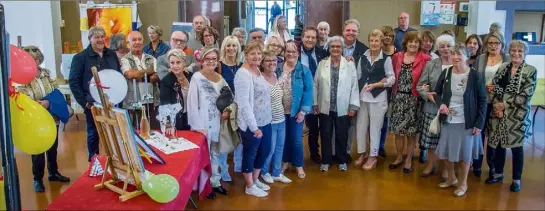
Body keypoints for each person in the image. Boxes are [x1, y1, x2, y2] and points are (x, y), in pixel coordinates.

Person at [434, 43, 487, 197]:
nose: (455, 57)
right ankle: (452, 179)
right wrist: (441, 104)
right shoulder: (446, 73)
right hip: (448, 120)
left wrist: (479, 123)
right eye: (453, 54)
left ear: (467, 56)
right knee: (447, 153)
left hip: (467, 122)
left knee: (465, 155)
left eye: (459, 54)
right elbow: (436, 93)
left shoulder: (476, 75)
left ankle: (463, 183)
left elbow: (483, 100)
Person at [17, 46, 71, 192]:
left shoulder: (45, 73)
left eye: (36, 58)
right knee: (38, 150)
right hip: (35, 118)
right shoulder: (22, 76)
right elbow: (21, 96)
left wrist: (48, 102)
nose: (34, 61)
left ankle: (53, 173)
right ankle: (38, 179)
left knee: (53, 147)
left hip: (51, 116)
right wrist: (37, 105)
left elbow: (54, 91)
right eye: (30, 59)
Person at [486, 40, 536, 192]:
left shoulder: (530, 70)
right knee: (499, 146)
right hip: (498, 114)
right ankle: (498, 173)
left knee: (516, 149)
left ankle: (516, 179)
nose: (516, 54)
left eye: (520, 51)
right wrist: (497, 106)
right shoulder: (502, 68)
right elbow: (493, 88)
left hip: (517, 116)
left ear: (525, 53)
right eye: (513, 50)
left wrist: (504, 105)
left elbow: (526, 95)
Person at [69, 26, 121, 162]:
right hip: (92, 103)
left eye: (102, 36)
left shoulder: (111, 54)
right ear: (89, 39)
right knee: (94, 134)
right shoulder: (80, 58)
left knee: (114, 133)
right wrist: (85, 102)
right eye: (96, 37)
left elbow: (118, 76)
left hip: (112, 102)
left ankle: (116, 161)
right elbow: (74, 82)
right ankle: (94, 162)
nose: (100, 40)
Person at [188, 48, 231, 198]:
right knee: (204, 155)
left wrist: (227, 111)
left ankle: (215, 182)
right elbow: (192, 102)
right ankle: (204, 186)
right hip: (202, 122)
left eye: (214, 58)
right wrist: (198, 126)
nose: (211, 61)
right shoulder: (197, 78)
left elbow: (228, 97)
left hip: (217, 121)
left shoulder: (220, 78)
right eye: (208, 58)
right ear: (202, 60)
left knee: (215, 153)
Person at [314, 36, 359, 172]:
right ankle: (326, 160)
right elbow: (315, 84)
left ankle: (342, 160)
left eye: (338, 46)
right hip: (325, 106)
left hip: (343, 106)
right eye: (332, 46)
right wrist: (315, 103)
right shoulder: (322, 63)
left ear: (343, 48)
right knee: (326, 134)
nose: (335, 49)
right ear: (329, 48)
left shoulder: (349, 64)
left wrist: (353, 105)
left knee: (342, 134)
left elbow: (354, 86)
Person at [388, 31, 431, 173]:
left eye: (416, 42)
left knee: (411, 133)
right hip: (398, 98)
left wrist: (427, 87)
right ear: (406, 43)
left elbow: (430, 77)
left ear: (420, 45)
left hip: (414, 100)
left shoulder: (425, 58)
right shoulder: (397, 57)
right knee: (398, 131)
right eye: (411, 41)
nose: (413, 44)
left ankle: (408, 159)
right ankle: (399, 156)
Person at [234, 41, 273, 197]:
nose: (256, 56)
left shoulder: (257, 69)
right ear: (245, 55)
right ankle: (249, 185)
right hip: (252, 123)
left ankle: (255, 180)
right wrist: (253, 127)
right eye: (252, 54)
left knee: (264, 151)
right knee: (250, 153)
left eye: (259, 53)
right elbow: (243, 104)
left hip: (265, 120)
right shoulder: (243, 74)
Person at [354, 30, 395, 170]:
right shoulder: (363, 57)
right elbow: (358, 76)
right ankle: (362, 153)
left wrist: (378, 84)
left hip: (378, 98)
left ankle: (373, 156)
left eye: (377, 41)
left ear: (381, 43)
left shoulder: (386, 59)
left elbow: (391, 79)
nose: (373, 43)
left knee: (375, 129)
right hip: (363, 98)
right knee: (360, 126)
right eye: (371, 40)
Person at [472, 31, 509, 177]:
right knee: (478, 134)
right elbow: (474, 78)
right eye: (490, 43)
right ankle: (476, 165)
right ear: (486, 45)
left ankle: (496, 169)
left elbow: (511, 83)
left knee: (496, 137)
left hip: (498, 104)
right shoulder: (481, 59)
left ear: (502, 45)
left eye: (496, 43)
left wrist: (498, 89)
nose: (493, 46)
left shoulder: (507, 59)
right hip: (481, 102)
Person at [417, 34, 454, 178]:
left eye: (448, 46)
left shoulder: (457, 64)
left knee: (447, 141)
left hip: (452, 111)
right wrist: (428, 95)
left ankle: (445, 169)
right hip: (432, 108)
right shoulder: (431, 64)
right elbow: (420, 86)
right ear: (437, 49)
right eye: (442, 46)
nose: (445, 49)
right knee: (431, 141)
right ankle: (430, 165)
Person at [279, 41, 313, 178]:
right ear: (284, 53)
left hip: (296, 111)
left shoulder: (304, 70)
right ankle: (286, 162)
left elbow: (308, 91)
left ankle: (299, 165)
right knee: (284, 139)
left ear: (298, 53)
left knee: (296, 139)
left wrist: (303, 111)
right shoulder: (278, 68)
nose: (290, 54)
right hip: (279, 111)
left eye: (293, 51)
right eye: (288, 51)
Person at [260, 50, 291, 184]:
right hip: (269, 121)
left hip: (281, 119)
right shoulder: (260, 78)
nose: (271, 63)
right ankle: (264, 171)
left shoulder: (276, 75)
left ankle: (276, 172)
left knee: (280, 147)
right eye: (268, 60)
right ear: (262, 63)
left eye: (274, 60)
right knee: (270, 149)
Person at [216, 35, 243, 182]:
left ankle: (238, 165)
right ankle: (223, 169)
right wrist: (222, 109)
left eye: (234, 45)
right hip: (225, 107)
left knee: (240, 137)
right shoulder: (219, 65)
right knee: (225, 139)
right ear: (224, 47)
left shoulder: (242, 64)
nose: (231, 48)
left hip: (240, 106)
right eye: (228, 45)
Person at [299, 26, 328, 163]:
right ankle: (295, 155)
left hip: (318, 94)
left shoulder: (322, 53)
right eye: (307, 37)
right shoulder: (296, 52)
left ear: (317, 39)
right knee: (297, 127)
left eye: (313, 37)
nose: (310, 40)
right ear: (302, 38)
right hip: (299, 95)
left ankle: (314, 153)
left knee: (314, 126)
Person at [121, 31, 160, 130]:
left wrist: (139, 74)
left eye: (139, 39)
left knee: (153, 130)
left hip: (151, 101)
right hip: (133, 102)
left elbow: (157, 76)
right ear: (128, 43)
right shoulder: (124, 60)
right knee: (136, 132)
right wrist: (148, 71)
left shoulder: (151, 58)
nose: (137, 42)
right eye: (134, 40)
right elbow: (130, 74)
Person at [159, 49, 192, 130]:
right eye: (172, 63)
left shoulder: (191, 77)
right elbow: (165, 105)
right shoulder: (166, 81)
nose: (175, 66)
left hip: (192, 118)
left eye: (178, 62)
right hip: (177, 121)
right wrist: (169, 123)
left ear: (184, 62)